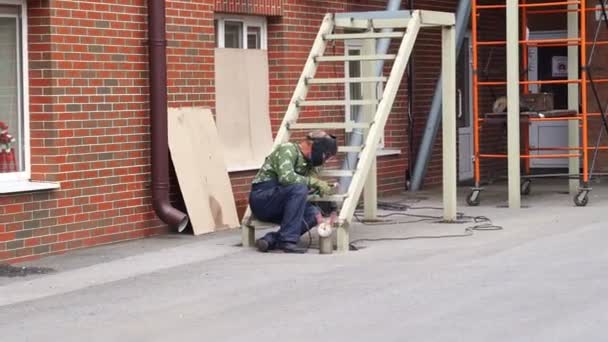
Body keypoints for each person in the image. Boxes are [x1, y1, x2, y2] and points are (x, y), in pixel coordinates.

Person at [249, 130, 337, 253]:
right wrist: (314, 182)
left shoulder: (309, 162)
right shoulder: (288, 149)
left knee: (313, 214)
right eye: (325, 155)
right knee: (299, 188)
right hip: (263, 199)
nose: (325, 160)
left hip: (282, 203)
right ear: (315, 147)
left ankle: (271, 239)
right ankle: (288, 241)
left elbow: (301, 187)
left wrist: (319, 188)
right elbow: (286, 178)